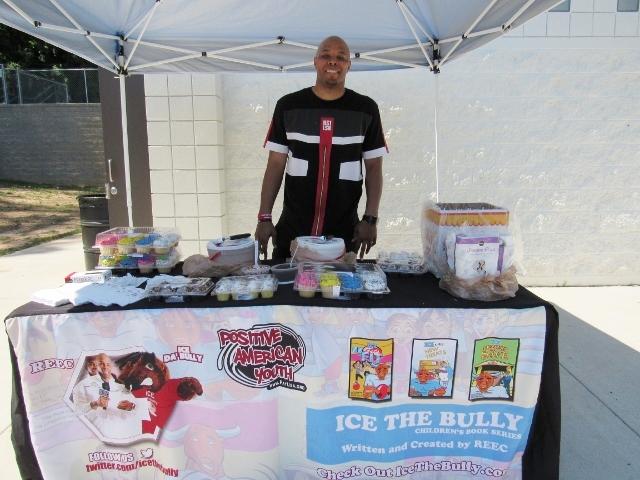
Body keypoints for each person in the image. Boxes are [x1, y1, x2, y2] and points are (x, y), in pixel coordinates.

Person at [256, 35, 388, 260]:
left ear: (349, 65)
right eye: (326, 55)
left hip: (344, 232)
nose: (333, 61)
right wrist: (264, 218)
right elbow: (276, 164)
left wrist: (370, 218)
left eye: (340, 57)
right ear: (315, 61)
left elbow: (374, 167)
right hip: (293, 230)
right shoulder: (289, 106)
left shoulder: (365, 110)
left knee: (338, 283)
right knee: (288, 283)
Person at [72, 352, 148, 440]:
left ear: (111, 367)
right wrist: (95, 404)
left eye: (108, 364)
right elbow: (77, 410)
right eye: (101, 364)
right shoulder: (83, 385)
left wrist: (130, 407)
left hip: (118, 437)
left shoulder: (122, 388)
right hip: (92, 438)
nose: (105, 367)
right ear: (96, 366)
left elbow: (138, 409)